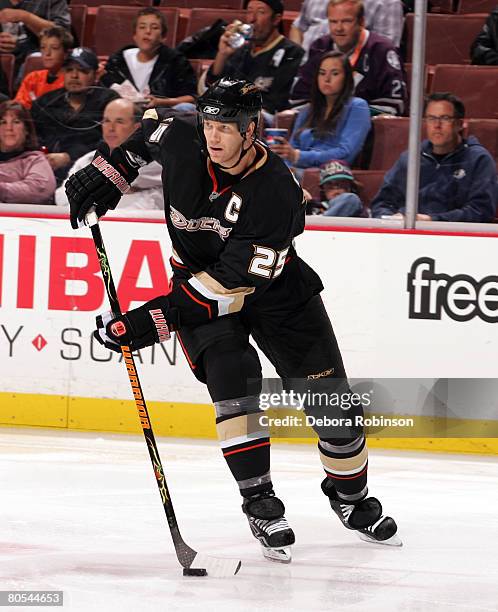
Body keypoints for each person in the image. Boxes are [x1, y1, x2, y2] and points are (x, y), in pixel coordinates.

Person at [65, 77, 400, 563]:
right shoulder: (181, 137)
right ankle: (260, 502)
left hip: (276, 295)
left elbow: (225, 289)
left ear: (251, 129)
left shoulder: (277, 193)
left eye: (226, 126)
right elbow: (148, 133)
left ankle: (350, 499)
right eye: (208, 123)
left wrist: (146, 324)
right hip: (200, 282)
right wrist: (111, 171)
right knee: (235, 386)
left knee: (335, 412)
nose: (214, 136)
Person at [371, 92, 498, 222]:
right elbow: (382, 203)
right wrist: (391, 219)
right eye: (431, 118)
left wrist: (433, 220)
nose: (437, 125)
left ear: (459, 124)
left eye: (445, 118)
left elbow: (481, 211)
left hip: (455, 237)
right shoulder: (411, 158)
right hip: (407, 234)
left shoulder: (478, 160)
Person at [291, 0, 407, 116]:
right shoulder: (320, 47)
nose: (339, 28)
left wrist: (349, 115)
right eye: (333, 22)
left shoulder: (381, 50)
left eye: (346, 21)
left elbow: (394, 104)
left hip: (367, 127)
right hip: (321, 124)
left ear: (361, 22)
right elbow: (299, 99)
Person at [269, 51, 370, 174]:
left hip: (329, 174)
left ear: (347, 78)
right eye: (322, 73)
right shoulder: (308, 110)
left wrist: (298, 156)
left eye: (335, 73)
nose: (326, 79)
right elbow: (292, 148)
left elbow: (346, 153)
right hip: (295, 172)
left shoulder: (357, 106)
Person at [204, 0, 304, 124]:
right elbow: (211, 87)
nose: (252, 19)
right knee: (184, 109)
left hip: (263, 115)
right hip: (228, 111)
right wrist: (222, 54)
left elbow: (276, 101)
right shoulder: (240, 49)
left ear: (276, 19)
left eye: (260, 12)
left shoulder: (292, 53)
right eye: (249, 12)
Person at [55, 98, 164, 210]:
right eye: (106, 121)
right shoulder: (87, 160)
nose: (110, 128)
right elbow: (61, 197)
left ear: (136, 128)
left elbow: (155, 199)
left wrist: (90, 187)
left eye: (119, 121)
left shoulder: (155, 161)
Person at [31, 47, 118, 184]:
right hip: (47, 170)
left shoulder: (109, 101)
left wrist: (69, 156)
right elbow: (33, 139)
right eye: (69, 70)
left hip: (94, 170)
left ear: (95, 75)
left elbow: (113, 142)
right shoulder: (45, 102)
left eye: (83, 71)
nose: (74, 76)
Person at [99, 7, 197, 110]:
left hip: (161, 116)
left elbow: (192, 98)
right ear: (135, 35)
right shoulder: (118, 61)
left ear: (163, 37)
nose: (148, 31)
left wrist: (163, 102)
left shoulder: (175, 61)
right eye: (142, 27)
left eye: (154, 28)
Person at [290, 0, 404, 62]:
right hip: (305, 68)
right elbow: (298, 27)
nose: (338, 28)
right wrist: (296, 58)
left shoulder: (387, 2)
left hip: (350, 73)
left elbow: (385, 48)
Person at [0, 100, 55, 203]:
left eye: (16, 122)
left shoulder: (35, 160)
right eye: (3, 122)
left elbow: (38, 189)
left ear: (26, 129)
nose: (9, 128)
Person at [14, 25, 73, 110]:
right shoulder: (32, 78)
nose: (47, 53)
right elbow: (18, 108)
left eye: (54, 48)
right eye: (43, 47)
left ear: (66, 53)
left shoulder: (71, 82)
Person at [0, 0, 70, 70]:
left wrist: (25, 17)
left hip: (36, 52)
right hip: (5, 55)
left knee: (35, 60)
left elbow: (63, 34)